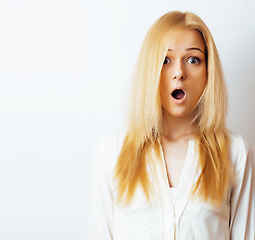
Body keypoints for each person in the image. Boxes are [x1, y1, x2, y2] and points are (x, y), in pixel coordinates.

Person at [87, 10, 255, 240]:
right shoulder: (110, 153)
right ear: (150, 70)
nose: (179, 73)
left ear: (208, 72)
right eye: (165, 60)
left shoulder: (235, 153)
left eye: (193, 60)